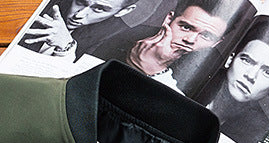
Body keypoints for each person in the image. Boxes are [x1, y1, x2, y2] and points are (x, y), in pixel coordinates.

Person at [200, 20, 269, 143]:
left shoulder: (258, 132)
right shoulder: (193, 82)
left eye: (267, 72)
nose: (251, 76)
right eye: (246, 61)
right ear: (230, 59)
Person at [88, 0, 234, 89]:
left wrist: (152, 71)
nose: (190, 40)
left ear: (217, 43)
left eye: (206, 36)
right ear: (169, 19)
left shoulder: (215, 71)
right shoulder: (125, 37)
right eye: (186, 27)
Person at [18, 0, 138, 60]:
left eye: (99, 9)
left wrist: (66, 48)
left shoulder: (107, 40)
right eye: (81, 1)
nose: (79, 15)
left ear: (124, 11)